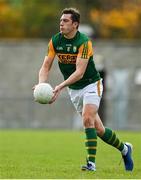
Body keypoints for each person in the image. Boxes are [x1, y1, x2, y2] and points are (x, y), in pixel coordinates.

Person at [34, 8, 133, 172]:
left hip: (91, 84)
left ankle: (91, 164)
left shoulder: (84, 42)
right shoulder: (55, 41)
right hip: (74, 90)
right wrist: (41, 85)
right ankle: (125, 149)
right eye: (61, 20)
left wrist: (59, 87)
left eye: (65, 21)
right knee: (99, 129)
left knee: (87, 119)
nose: (61, 23)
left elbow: (79, 73)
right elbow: (45, 67)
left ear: (75, 24)